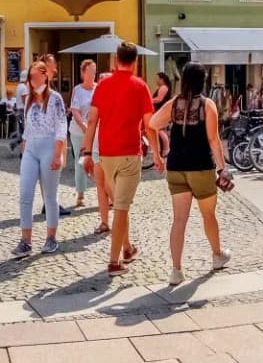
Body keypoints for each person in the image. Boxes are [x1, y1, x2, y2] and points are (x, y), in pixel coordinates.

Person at [149, 63, 232, 285]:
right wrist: (222, 167)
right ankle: (217, 256)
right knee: (208, 215)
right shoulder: (207, 105)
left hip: (176, 167)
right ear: (202, 81)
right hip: (201, 167)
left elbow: (152, 124)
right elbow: (213, 140)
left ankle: (176, 270)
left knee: (179, 220)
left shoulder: (173, 104)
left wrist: (158, 153)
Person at [81, 42, 159, 275]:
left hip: (106, 155)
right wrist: (157, 153)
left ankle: (128, 248)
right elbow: (149, 124)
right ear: (135, 62)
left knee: (120, 204)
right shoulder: (140, 86)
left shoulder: (103, 86)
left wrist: (87, 152)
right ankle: (114, 261)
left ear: (116, 59)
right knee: (122, 207)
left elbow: (92, 121)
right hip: (129, 154)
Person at [13, 59, 69, 258]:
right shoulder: (29, 99)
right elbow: (27, 127)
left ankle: (51, 237)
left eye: (35, 76)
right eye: (30, 77)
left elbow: (61, 125)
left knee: (50, 196)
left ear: (45, 76)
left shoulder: (55, 98)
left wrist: (58, 152)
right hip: (31, 149)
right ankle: (26, 240)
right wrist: (25, 147)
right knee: (25, 194)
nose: (32, 80)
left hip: (49, 147)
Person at [70, 59, 103, 222]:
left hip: (96, 132)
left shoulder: (99, 88)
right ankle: (81, 194)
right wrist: (85, 127)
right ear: (83, 73)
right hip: (79, 132)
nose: (92, 74)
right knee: (81, 162)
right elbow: (75, 111)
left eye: (94, 72)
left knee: (98, 162)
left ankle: (103, 194)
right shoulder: (78, 90)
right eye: (89, 71)